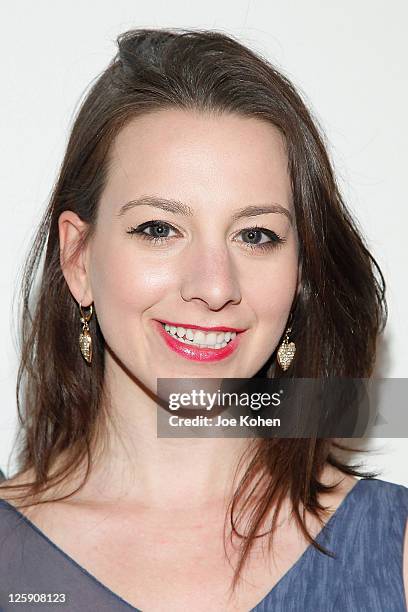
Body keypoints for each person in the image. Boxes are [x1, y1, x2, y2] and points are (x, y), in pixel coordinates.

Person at [0, 27, 406, 612]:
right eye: (159, 229)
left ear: (301, 273)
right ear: (79, 257)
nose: (215, 287)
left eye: (256, 235)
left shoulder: (397, 552)